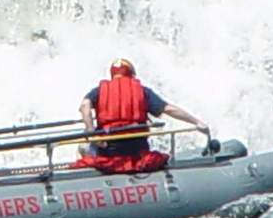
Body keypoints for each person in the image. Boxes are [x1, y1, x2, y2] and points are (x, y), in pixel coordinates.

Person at [78, 58, 209, 163]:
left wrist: (90, 130)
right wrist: (196, 121)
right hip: (137, 150)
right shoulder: (142, 91)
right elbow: (168, 109)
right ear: (131, 74)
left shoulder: (100, 91)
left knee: (83, 147)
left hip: (109, 150)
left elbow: (84, 105)